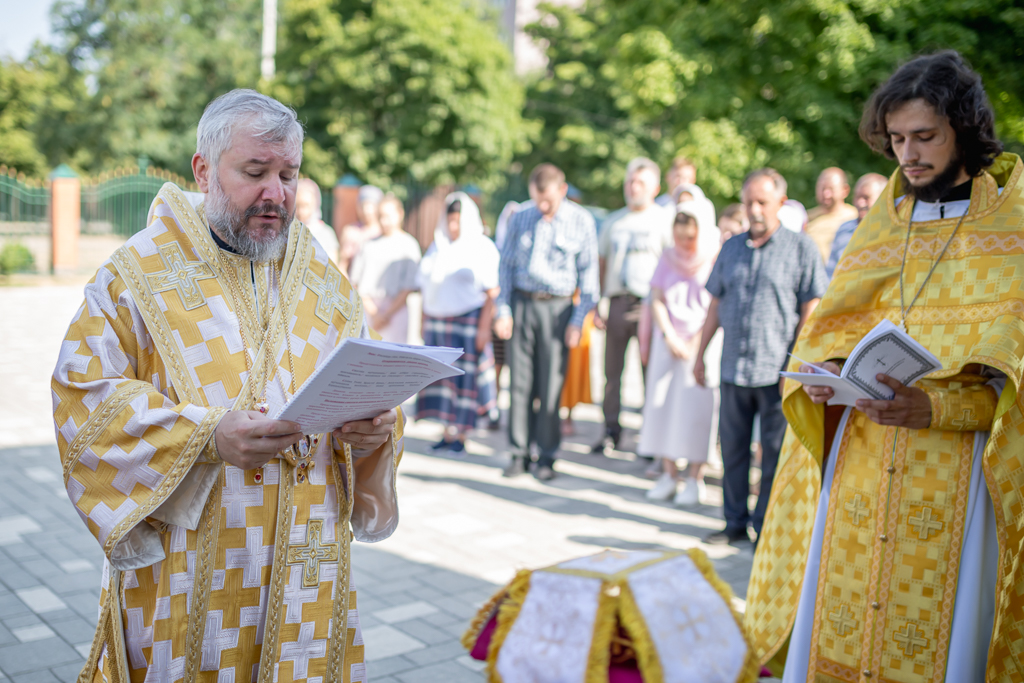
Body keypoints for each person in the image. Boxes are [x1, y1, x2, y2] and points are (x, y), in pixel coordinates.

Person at [51, 89, 402, 680]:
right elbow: (83, 400)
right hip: (191, 571)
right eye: (255, 172)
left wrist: (376, 431)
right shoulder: (136, 276)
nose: (277, 193)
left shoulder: (323, 279)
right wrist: (205, 436)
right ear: (203, 170)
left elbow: (366, 380)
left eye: (288, 174)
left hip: (306, 565)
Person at [746, 51, 1024, 683]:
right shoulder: (887, 217)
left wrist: (938, 407)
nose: (908, 155)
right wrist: (830, 373)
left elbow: (1017, 383)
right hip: (863, 462)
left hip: (957, 475)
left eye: (925, 137)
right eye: (897, 139)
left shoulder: (1014, 223)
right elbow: (838, 325)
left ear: (965, 128)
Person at [694, 168, 827, 545]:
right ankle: (734, 523)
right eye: (748, 202)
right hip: (733, 366)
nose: (754, 210)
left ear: (780, 203)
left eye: (762, 202)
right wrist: (699, 354)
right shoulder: (732, 247)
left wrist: (796, 363)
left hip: (777, 370)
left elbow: (811, 308)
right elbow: (715, 303)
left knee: (772, 454)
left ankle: (765, 528)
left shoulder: (801, 248)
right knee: (732, 450)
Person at [494, 163, 599, 481]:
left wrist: (577, 321)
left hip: (558, 309)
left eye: (548, 200)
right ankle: (519, 453)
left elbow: (589, 276)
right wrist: (503, 310)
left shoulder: (581, 221)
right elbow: (505, 267)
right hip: (523, 303)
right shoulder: (520, 217)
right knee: (520, 383)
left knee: (551, 385)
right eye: (537, 199)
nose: (542, 206)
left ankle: (547, 456)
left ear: (562, 190)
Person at [592, 157, 673, 454]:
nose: (633, 187)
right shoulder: (614, 221)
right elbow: (601, 263)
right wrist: (599, 303)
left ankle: (649, 437)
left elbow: (671, 265)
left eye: (640, 182)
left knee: (649, 372)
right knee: (612, 374)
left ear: (655, 188)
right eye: (630, 181)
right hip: (617, 301)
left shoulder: (663, 220)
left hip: (649, 305)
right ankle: (610, 430)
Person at [641, 206, 721, 506]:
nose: (684, 244)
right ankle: (668, 474)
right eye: (679, 237)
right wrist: (669, 336)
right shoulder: (667, 257)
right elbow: (656, 298)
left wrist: (696, 342)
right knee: (662, 405)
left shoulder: (712, 257)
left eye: (690, 237)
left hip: (702, 342)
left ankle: (694, 478)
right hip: (669, 343)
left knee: (698, 410)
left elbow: (715, 303)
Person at [415, 193, 500, 454]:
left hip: (468, 322)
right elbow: (426, 287)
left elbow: (492, 292)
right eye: (450, 220)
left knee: (464, 381)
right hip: (437, 323)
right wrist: (422, 320)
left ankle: (462, 434)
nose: (453, 226)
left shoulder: (482, 247)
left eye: (458, 221)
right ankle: (447, 432)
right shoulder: (437, 248)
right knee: (443, 380)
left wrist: (484, 328)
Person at [350, 194, 421, 343]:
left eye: (388, 216)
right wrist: (375, 314)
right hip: (370, 311)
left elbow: (408, 287)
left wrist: (386, 314)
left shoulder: (409, 245)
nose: (384, 221)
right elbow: (357, 283)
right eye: (381, 216)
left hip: (396, 313)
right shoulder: (368, 245)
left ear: (400, 214)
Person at [823, 172, 888, 279]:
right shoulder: (844, 229)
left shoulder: (893, 232)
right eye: (857, 196)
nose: (860, 203)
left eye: (866, 198)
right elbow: (830, 273)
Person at [803, 167, 859, 262]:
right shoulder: (806, 217)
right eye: (822, 188)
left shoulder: (854, 217)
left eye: (831, 189)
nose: (826, 194)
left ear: (844, 190)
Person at [295, 178, 340, 263]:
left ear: (315, 204)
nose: (301, 211)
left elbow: (332, 264)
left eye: (306, 205)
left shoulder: (326, 233)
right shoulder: (288, 231)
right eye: (297, 205)